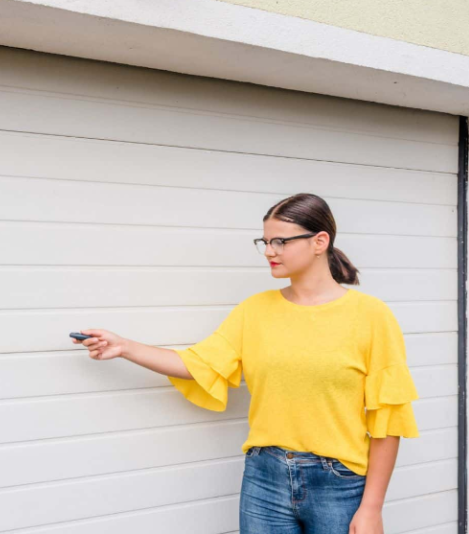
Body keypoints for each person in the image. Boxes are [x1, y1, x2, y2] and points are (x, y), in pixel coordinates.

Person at [71, 192, 419, 534]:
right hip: (264, 479)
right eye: (264, 241)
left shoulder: (371, 316)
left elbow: (388, 419)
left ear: (320, 241)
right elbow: (200, 365)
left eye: (280, 241)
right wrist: (125, 347)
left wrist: (372, 508)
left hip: (339, 484)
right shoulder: (254, 311)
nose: (269, 252)